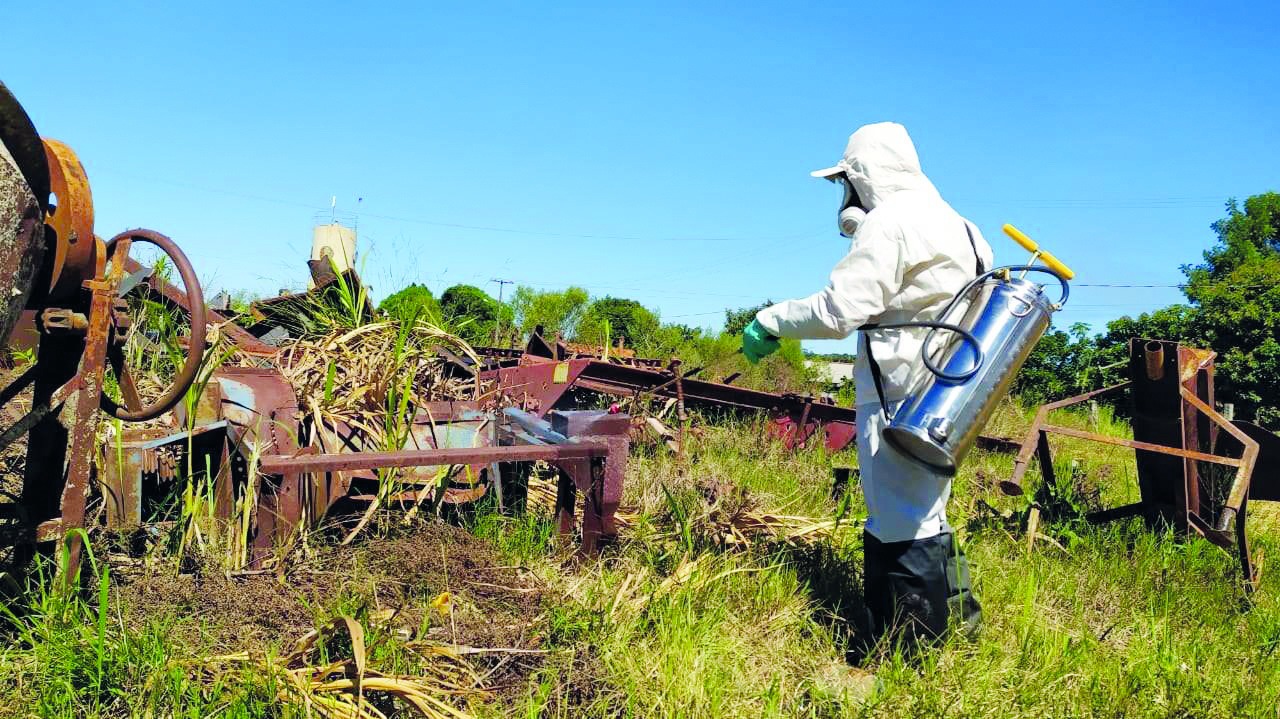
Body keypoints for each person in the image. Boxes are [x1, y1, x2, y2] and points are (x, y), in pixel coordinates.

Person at [742, 122, 987, 644]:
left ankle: (908, 647)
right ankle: (958, 631)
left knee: (899, 515)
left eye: (844, 183)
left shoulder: (891, 223)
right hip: (950, 387)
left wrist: (771, 320)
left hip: (900, 386)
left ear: (863, 177)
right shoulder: (962, 225)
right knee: (927, 509)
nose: (844, 196)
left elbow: (841, 310)